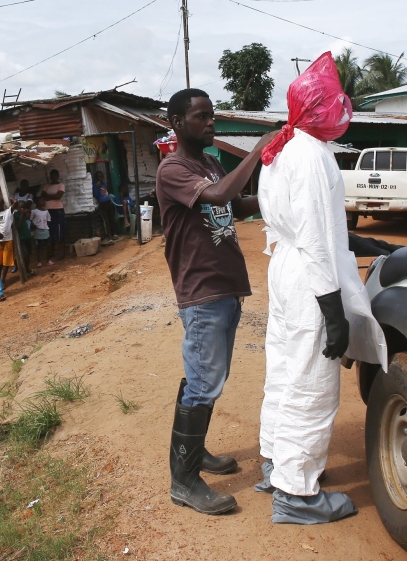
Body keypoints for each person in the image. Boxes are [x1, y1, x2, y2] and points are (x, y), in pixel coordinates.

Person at [255, 51, 386, 525]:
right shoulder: (310, 154)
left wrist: (367, 240)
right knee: (314, 379)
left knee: (286, 368)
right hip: (310, 276)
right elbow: (315, 236)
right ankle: (296, 493)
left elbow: (304, 225)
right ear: (319, 109)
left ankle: (275, 461)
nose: (341, 112)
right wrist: (333, 308)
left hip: (286, 270)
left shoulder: (283, 147)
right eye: (334, 103)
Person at [157, 87, 278, 515]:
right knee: (205, 381)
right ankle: (184, 481)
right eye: (202, 117)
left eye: (212, 116)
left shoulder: (208, 162)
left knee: (203, 378)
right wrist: (258, 151)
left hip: (224, 286)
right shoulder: (173, 169)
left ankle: (197, 453)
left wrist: (277, 200)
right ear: (177, 123)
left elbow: (236, 202)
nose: (211, 123)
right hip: (202, 290)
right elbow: (220, 195)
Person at [41, 170, 67, 260]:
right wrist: (52, 196)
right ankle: (51, 253)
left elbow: (58, 196)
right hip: (48, 212)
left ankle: (62, 253)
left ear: (58, 176)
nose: (53, 177)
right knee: (50, 232)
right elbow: (42, 196)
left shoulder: (61, 185)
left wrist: (48, 197)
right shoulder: (47, 185)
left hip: (58, 211)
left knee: (59, 232)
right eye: (51, 176)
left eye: (54, 175)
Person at [0, 198, 16, 277]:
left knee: (6, 261)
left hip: (8, 240)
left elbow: (15, 202)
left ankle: (3, 280)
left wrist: (6, 198)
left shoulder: (7, 212)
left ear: (1, 205)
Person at [93, 171, 119, 242]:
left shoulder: (104, 184)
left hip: (108, 203)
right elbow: (96, 195)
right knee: (106, 221)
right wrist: (97, 187)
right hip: (102, 204)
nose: (101, 178)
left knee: (112, 219)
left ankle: (115, 234)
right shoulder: (95, 185)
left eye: (102, 176)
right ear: (97, 178)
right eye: (99, 177)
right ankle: (110, 236)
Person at [31, 197, 52, 267]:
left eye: (44, 201)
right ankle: (39, 262)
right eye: (42, 201)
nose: (44, 202)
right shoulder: (34, 211)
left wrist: (47, 227)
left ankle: (48, 260)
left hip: (45, 229)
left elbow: (48, 220)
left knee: (48, 245)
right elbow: (30, 219)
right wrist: (33, 225)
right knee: (38, 246)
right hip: (37, 230)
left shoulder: (46, 211)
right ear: (37, 203)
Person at [15, 201, 34, 275]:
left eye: (24, 207)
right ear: (17, 208)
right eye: (21, 207)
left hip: (27, 236)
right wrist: (22, 215)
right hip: (21, 237)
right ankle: (24, 269)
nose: (22, 209)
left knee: (28, 253)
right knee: (25, 254)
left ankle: (27, 267)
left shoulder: (26, 214)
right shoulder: (16, 215)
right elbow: (18, 226)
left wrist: (26, 214)